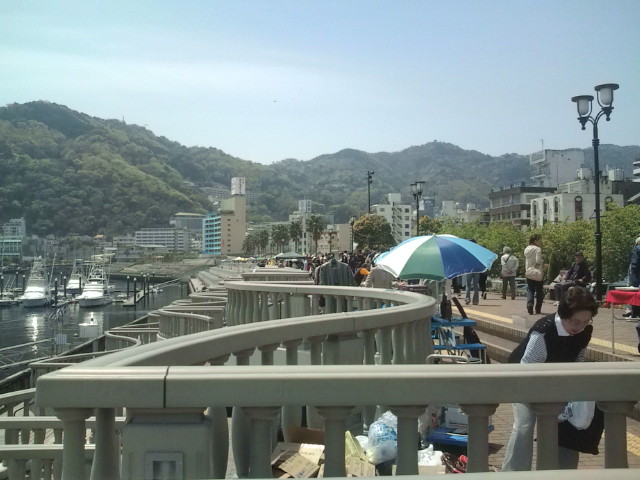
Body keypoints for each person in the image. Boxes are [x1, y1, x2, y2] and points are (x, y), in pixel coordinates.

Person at [501, 286, 598, 471]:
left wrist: (567, 403)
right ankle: (513, 473)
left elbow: (577, 362)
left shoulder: (584, 332)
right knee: (524, 425)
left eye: (586, 322)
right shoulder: (544, 330)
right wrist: (550, 406)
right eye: (575, 322)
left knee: (563, 425)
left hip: (554, 381)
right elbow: (527, 371)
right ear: (563, 315)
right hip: (523, 379)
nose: (579, 327)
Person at [524, 233, 545, 315]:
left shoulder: (526, 249)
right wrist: (543, 263)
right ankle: (538, 309)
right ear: (535, 241)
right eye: (539, 240)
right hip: (537, 272)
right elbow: (538, 261)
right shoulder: (537, 249)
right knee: (539, 291)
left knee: (530, 290)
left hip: (529, 272)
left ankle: (530, 304)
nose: (540, 242)